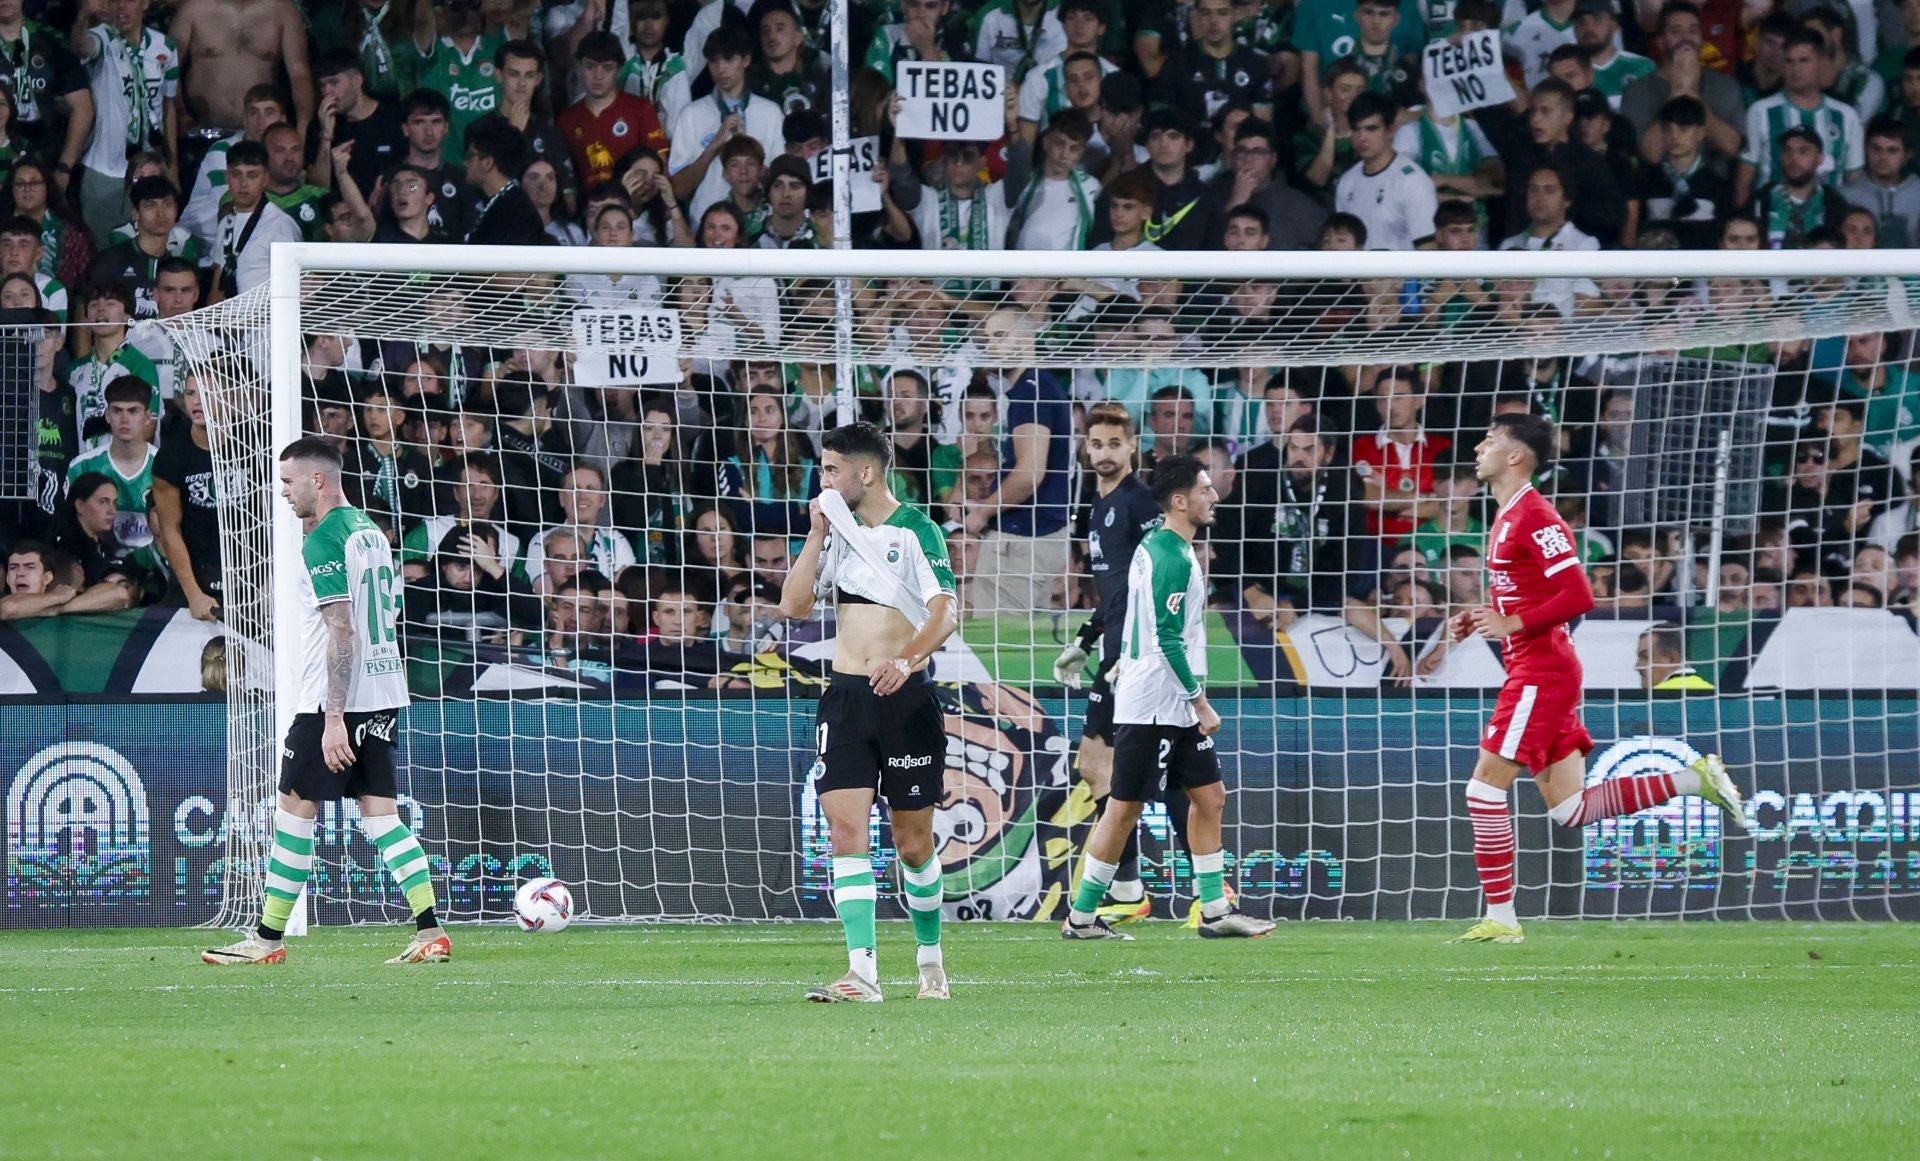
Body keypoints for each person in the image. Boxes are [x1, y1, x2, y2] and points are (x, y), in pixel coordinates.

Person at [1447, 414, 1744, 945]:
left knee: (1482, 790)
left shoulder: (1536, 516)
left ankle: (1503, 919)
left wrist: (1512, 622)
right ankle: (1694, 779)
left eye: (1489, 440)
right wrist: (1482, 615)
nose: (1478, 445)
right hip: (1538, 666)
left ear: (1516, 456)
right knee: (1569, 809)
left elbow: (1579, 595)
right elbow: (1532, 594)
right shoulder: (1506, 516)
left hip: (1542, 672)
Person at [204, 438, 448, 966]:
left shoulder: (323, 543)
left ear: (318, 480)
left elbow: (342, 633)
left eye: (289, 482)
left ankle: (267, 940)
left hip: (332, 701)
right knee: (381, 814)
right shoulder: (370, 532)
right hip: (384, 690)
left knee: (293, 809)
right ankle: (430, 931)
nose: (283, 493)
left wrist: (333, 716)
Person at [777, 421, 960, 1003]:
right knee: (847, 832)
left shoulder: (915, 530)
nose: (823, 479)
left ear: (866, 472)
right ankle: (862, 974)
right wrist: (814, 536)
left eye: (832, 469)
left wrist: (906, 661)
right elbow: (793, 605)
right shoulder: (839, 535)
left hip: (904, 699)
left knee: (912, 845)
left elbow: (947, 612)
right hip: (846, 698)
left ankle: (930, 960)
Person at [1063, 454, 1274, 941]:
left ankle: (1216, 910)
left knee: (1211, 797)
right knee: (1124, 807)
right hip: (1156, 702)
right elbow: (1166, 638)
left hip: (1164, 699)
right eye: (1204, 490)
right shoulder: (1172, 558)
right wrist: (1199, 701)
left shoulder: (1155, 546)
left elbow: (1136, 618)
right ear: (1179, 502)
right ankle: (1081, 915)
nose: (1213, 496)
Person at [1051, 403, 1163, 922]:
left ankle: (1141, 890)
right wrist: (1087, 636)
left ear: (1133, 446)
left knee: (1131, 771)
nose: (1103, 453)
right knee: (1097, 766)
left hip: (1136, 652)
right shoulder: (1095, 505)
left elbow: (1149, 582)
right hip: (1116, 647)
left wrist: (1112, 644)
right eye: (1095, 444)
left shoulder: (1141, 503)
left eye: (1114, 444)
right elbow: (1115, 588)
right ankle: (1129, 889)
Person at [72, 0, 180, 245]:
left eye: (128, 0)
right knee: (104, 250)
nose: (121, 6)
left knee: (152, 245)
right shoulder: (101, 38)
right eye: (113, 1)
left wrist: (172, 166)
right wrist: (83, 17)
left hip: (151, 169)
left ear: (144, 4)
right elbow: (81, 47)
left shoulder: (166, 47)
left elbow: (169, 106)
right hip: (104, 170)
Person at [150, 371, 221, 618]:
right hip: (195, 574)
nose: (197, 401)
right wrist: (193, 593)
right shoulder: (171, 456)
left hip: (248, 575)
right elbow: (169, 529)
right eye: (191, 393)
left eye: (206, 394)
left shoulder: (253, 446)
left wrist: (269, 582)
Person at [1334, 92, 1437, 250]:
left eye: (1371, 129)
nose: (1362, 137)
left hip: (1403, 274)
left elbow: (1428, 248)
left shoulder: (1412, 181)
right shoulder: (1347, 181)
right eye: (1356, 129)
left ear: (1391, 130)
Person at [210, 140, 300, 300]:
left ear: (265, 179)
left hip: (265, 324)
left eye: (252, 175)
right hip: (229, 323)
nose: (243, 184)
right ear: (227, 177)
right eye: (236, 175)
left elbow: (291, 291)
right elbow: (218, 285)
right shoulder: (226, 222)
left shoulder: (280, 225)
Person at [462, 113, 545, 245]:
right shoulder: (502, 202)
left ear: (487, 162)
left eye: (470, 156)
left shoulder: (515, 214)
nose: (465, 163)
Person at [1635, 622, 1715, 691]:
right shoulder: (1714, 693)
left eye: (1646, 657)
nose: (1637, 667)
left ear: (1672, 659)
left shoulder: (1655, 700)